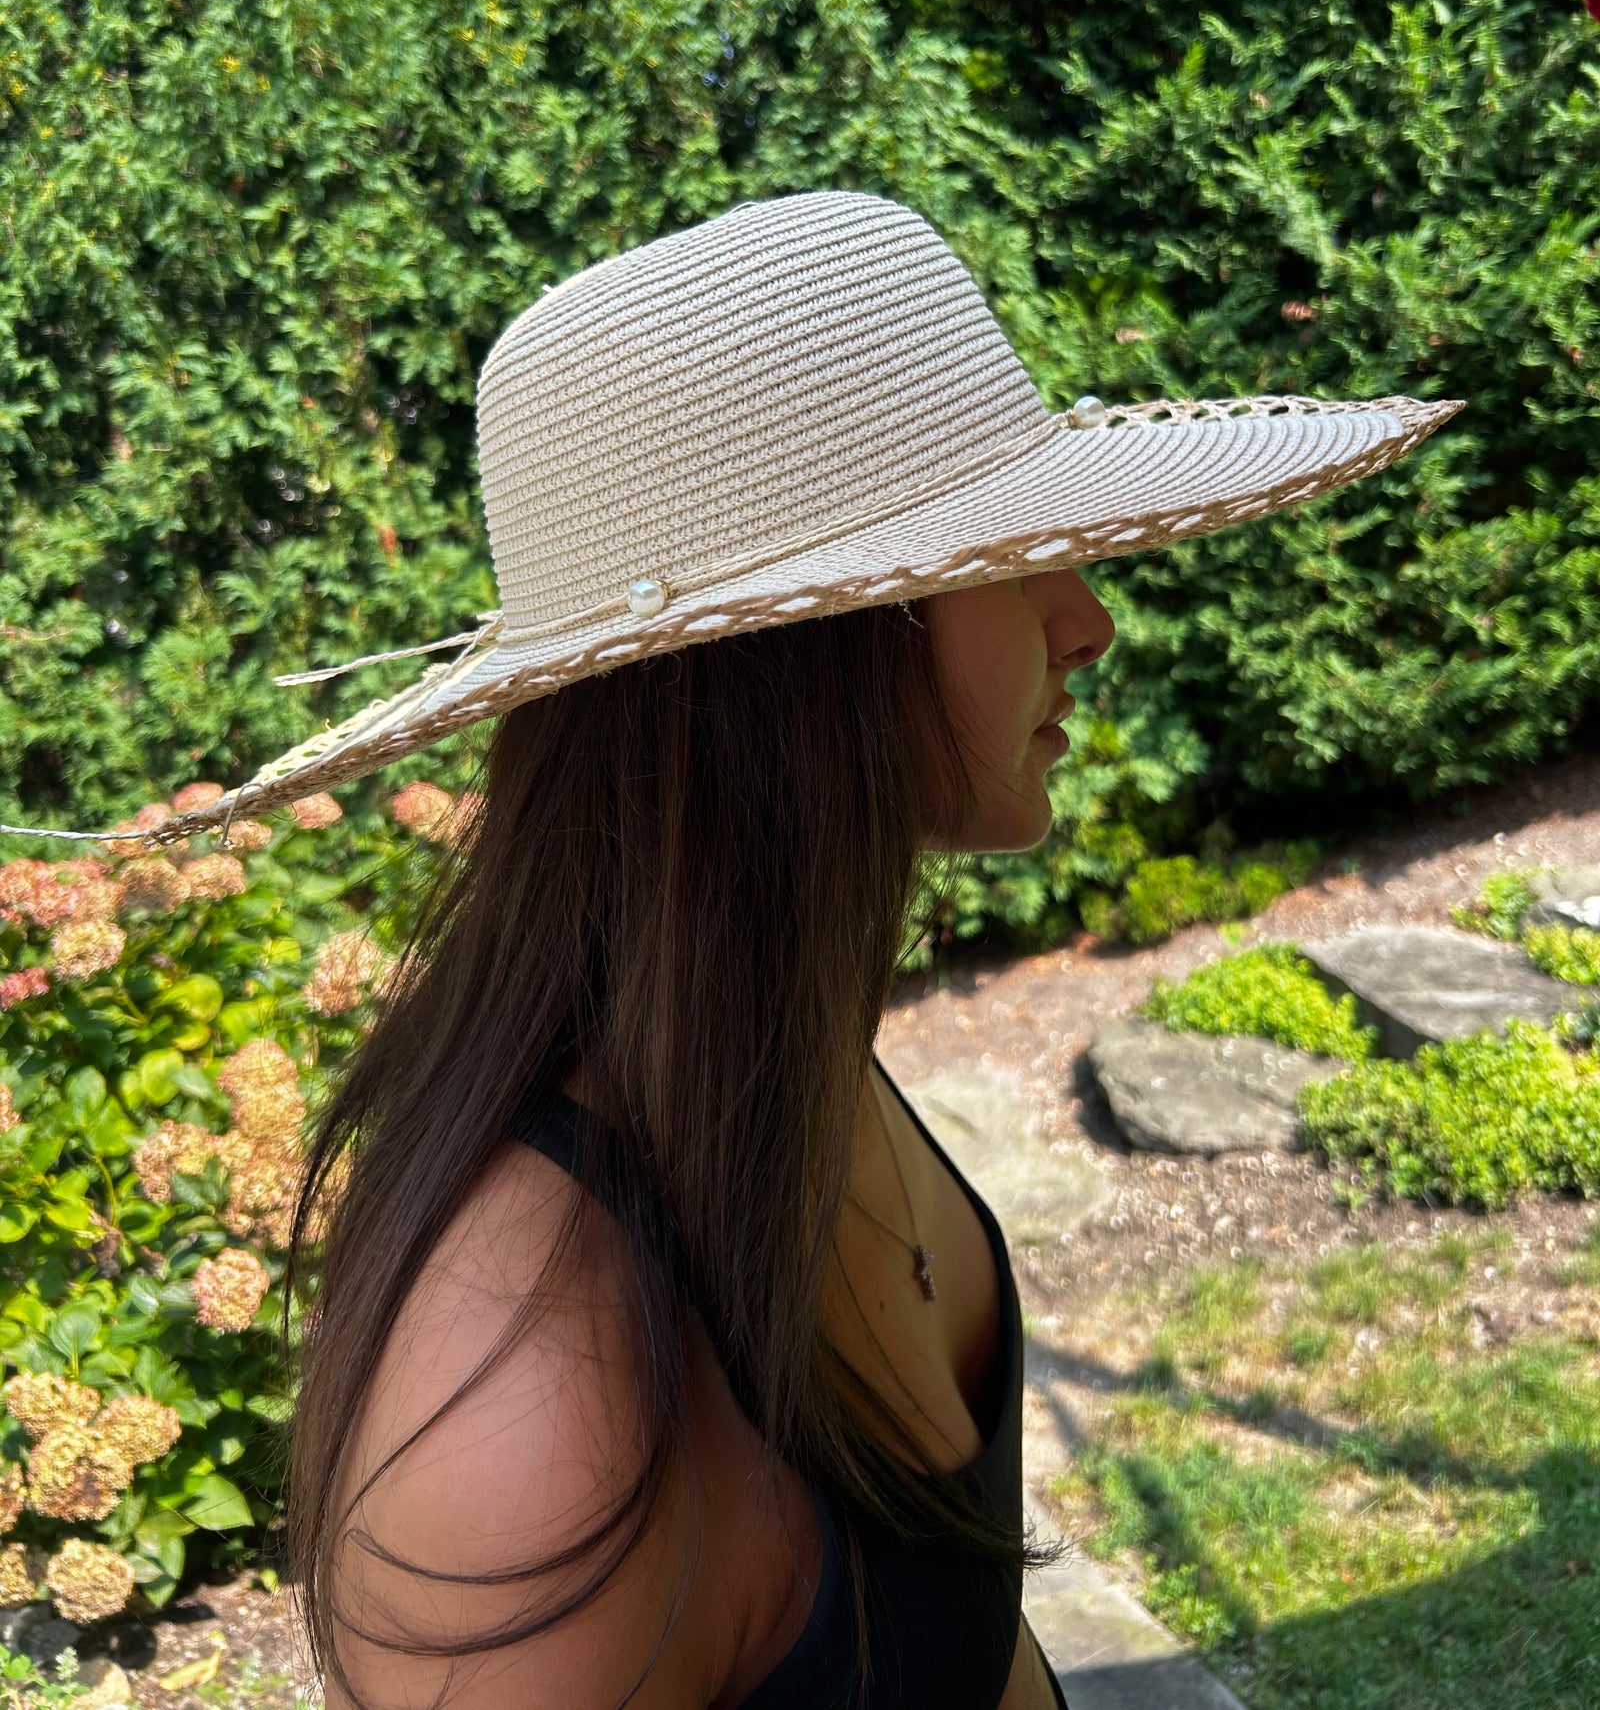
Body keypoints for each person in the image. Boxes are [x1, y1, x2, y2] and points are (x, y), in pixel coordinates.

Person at [103, 192, 1459, 1708]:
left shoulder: (769, 1068)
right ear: (809, 662)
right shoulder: (536, 1407)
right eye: (1008, 561)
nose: (1088, 619)